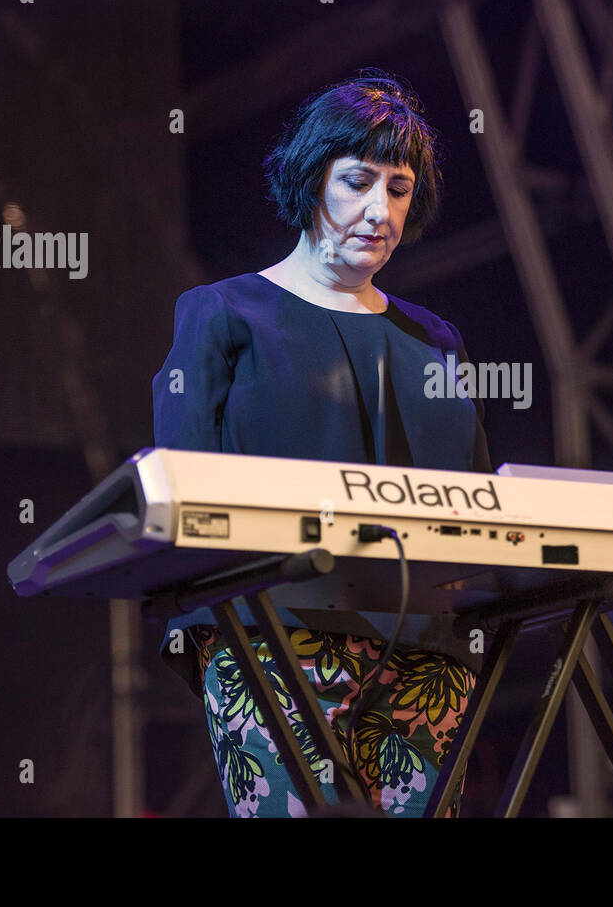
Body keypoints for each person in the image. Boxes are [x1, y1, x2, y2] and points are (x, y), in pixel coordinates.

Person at [151, 69, 491, 818]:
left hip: (429, 650)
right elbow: (179, 506)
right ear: (312, 182)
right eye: (358, 181)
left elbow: (480, 512)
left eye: (398, 188)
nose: (379, 210)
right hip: (273, 638)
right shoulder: (223, 314)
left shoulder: (435, 340)